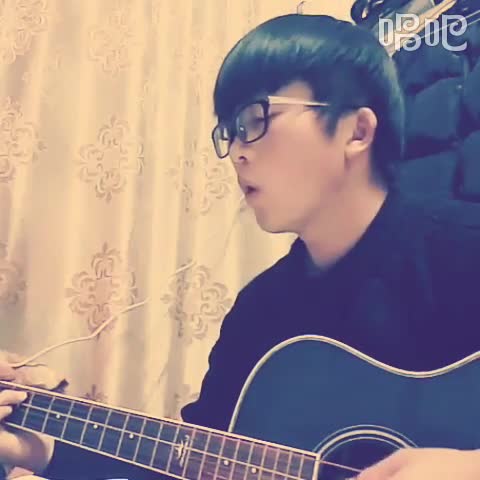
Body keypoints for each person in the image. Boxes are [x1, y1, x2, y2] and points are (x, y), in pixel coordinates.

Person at [1, 12, 480, 480]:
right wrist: (41, 447)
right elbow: (190, 460)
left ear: (357, 131)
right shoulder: (259, 312)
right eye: (229, 132)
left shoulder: (462, 254)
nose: (236, 152)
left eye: (255, 119)